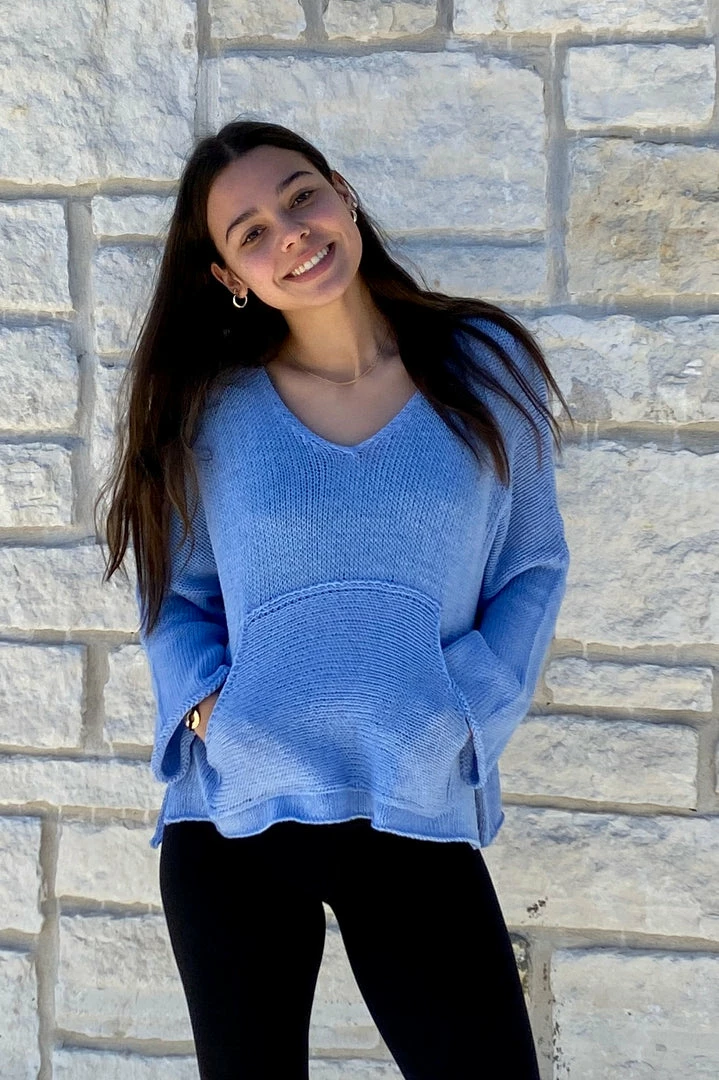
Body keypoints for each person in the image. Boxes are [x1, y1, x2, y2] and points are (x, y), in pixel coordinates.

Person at [97, 118, 573, 1080]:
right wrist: (214, 710)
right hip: (235, 823)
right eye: (252, 233)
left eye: (301, 197)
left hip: (410, 805)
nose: (291, 234)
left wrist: (461, 712)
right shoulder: (214, 407)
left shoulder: (482, 364)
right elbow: (176, 592)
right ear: (230, 275)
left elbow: (532, 565)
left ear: (342, 194)